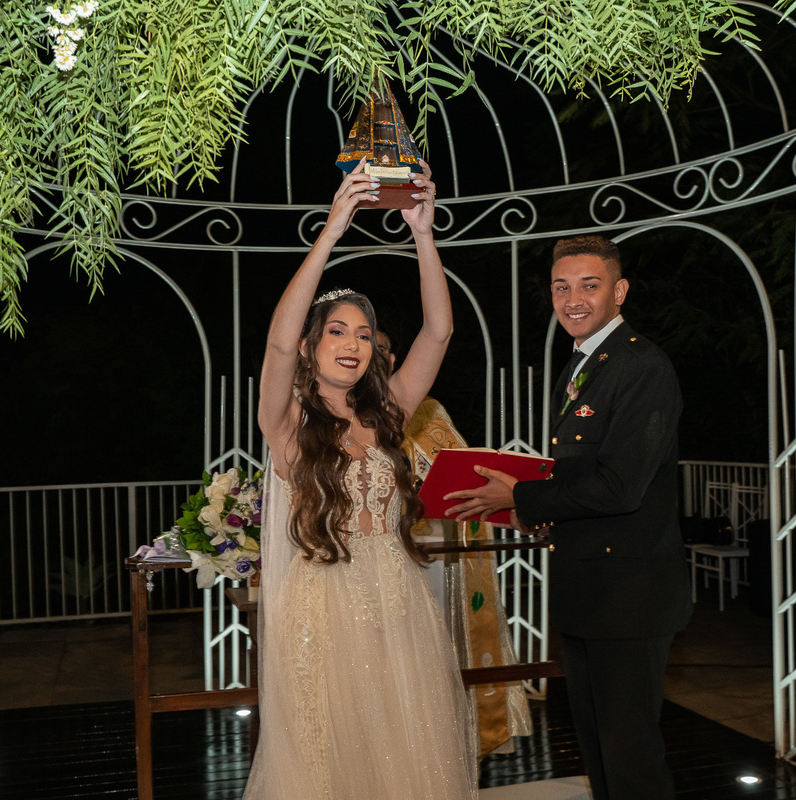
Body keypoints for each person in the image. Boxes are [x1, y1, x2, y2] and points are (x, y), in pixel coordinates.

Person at [245, 158, 477, 800]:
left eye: (365, 334)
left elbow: (440, 330)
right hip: (323, 608)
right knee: (330, 757)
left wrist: (424, 235)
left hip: (399, 599)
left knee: (405, 750)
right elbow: (275, 343)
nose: (352, 343)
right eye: (337, 331)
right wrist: (332, 229)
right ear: (315, 342)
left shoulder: (391, 409)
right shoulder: (286, 422)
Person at [442, 234, 691, 800]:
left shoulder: (641, 365)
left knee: (631, 758)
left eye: (589, 285)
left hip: (630, 594)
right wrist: (532, 506)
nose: (572, 299)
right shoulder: (584, 363)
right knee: (600, 751)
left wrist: (521, 498)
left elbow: (620, 487)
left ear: (619, 291)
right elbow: (579, 475)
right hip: (588, 589)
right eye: (561, 287)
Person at [377, 328, 534, 760]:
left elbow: (458, 472)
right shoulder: (334, 413)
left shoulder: (427, 411)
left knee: (433, 656)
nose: (373, 355)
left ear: (394, 361)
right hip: (374, 562)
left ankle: (442, 746)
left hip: (435, 558)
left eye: (383, 349)